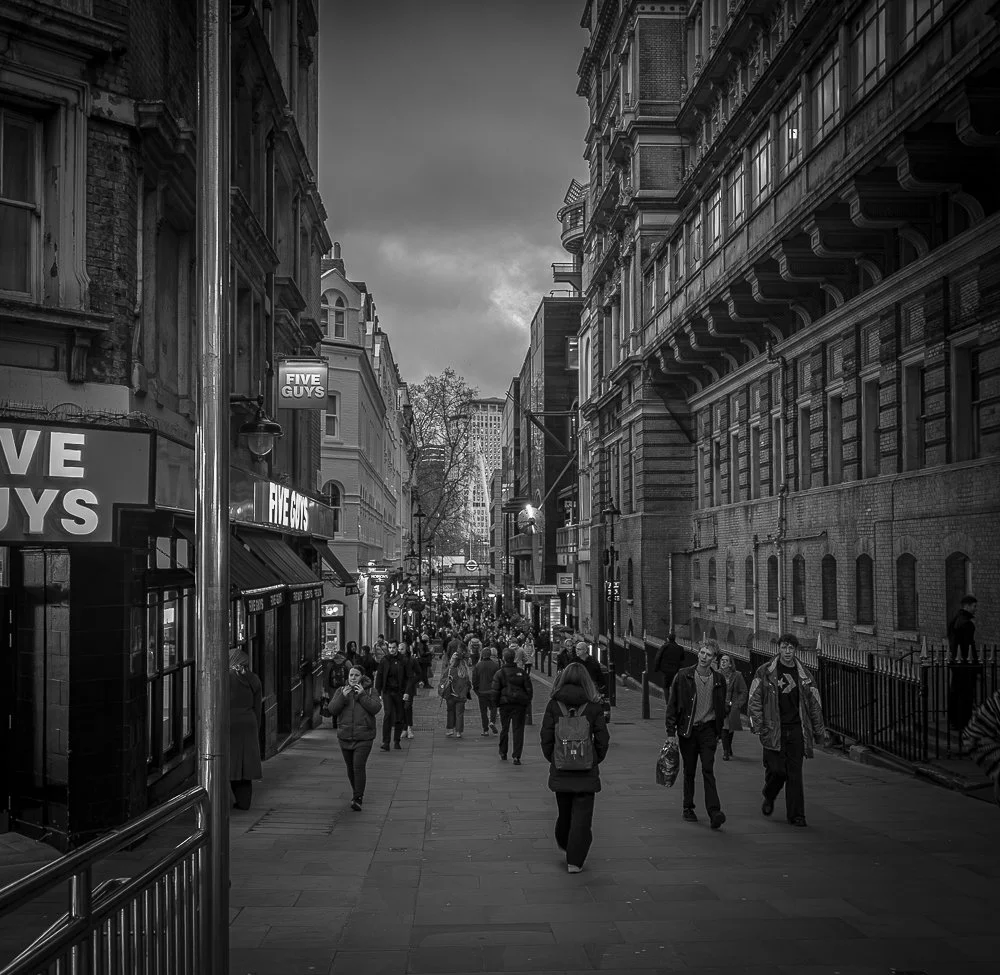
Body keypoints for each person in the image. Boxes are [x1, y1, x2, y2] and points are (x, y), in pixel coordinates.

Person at [748, 633, 826, 828]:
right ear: (779, 648)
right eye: (784, 647)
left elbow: (814, 704)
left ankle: (797, 815)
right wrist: (757, 724)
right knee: (777, 770)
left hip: (796, 729)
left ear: (795, 650)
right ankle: (769, 794)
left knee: (795, 774)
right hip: (774, 728)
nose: (787, 652)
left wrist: (818, 731)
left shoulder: (805, 675)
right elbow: (754, 699)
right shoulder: (765, 671)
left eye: (791, 648)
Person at [539, 662, 610, 874]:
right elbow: (603, 738)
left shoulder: (554, 704)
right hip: (586, 770)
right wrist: (594, 758)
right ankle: (575, 861)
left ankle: (564, 840)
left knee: (565, 812)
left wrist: (553, 758)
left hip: (561, 768)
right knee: (582, 817)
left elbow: (546, 736)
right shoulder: (593, 705)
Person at [664, 639, 728, 829]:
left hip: (708, 730)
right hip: (688, 731)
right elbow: (673, 705)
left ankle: (714, 811)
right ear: (697, 654)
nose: (704, 657)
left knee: (708, 769)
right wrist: (670, 733)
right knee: (689, 770)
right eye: (702, 653)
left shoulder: (719, 680)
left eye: (708, 655)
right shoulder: (684, 676)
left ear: (714, 659)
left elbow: (720, 706)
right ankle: (688, 807)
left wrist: (718, 732)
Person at [328, 665, 382, 811]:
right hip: (345, 736)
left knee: (358, 766)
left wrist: (362, 695)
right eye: (351, 675)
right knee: (350, 768)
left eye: (356, 675)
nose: (353, 678)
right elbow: (332, 709)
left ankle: (358, 797)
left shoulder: (370, 691)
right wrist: (342, 697)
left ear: (362, 677)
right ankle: (355, 792)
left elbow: (376, 708)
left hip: (364, 736)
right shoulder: (341, 691)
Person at [229, 649, 263, 810]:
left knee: (231, 763)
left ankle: (229, 800)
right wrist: (257, 727)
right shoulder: (254, 679)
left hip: (229, 724)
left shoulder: (225, 678)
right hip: (249, 723)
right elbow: (258, 708)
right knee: (246, 765)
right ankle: (244, 802)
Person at [493, 647, 534, 763]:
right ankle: (516, 756)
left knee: (504, 729)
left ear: (504, 659)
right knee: (518, 730)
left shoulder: (500, 673)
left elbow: (495, 691)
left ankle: (503, 752)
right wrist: (526, 702)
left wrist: (496, 704)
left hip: (505, 704)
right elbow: (529, 690)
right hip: (519, 705)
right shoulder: (522, 672)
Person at [948, 595, 979, 734]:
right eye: (974, 606)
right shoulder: (967, 624)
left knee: (955, 691)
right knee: (965, 694)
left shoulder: (954, 620)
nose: (975, 609)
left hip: (956, 662)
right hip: (965, 664)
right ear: (967, 606)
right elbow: (969, 646)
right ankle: (963, 722)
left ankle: (954, 721)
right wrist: (976, 664)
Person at [375, 641, 410, 751]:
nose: (391, 650)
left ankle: (396, 740)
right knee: (388, 714)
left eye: (394, 647)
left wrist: (407, 692)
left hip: (399, 692)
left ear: (397, 648)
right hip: (387, 692)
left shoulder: (403, 660)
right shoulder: (385, 660)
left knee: (399, 716)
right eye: (390, 647)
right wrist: (378, 692)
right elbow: (379, 676)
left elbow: (409, 677)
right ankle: (386, 742)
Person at [718, 653, 748, 761]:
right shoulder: (716, 674)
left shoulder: (737, 675)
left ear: (730, 664)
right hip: (721, 705)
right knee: (724, 727)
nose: (723, 662)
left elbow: (743, 691)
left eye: (726, 660)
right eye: (722, 660)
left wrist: (738, 703)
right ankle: (726, 751)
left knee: (730, 728)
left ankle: (728, 746)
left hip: (733, 705)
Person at [472, 646, 501, 735]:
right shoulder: (495, 665)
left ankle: (485, 730)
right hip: (492, 691)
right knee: (493, 707)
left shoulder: (478, 665)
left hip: (482, 691)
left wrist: (477, 690)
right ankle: (492, 721)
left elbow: (474, 680)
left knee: (483, 711)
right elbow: (499, 679)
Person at [444, 651, 472, 738]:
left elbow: (443, 681)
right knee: (459, 714)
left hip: (451, 695)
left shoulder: (450, 670)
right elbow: (468, 684)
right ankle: (459, 732)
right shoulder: (464, 671)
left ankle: (450, 730)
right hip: (461, 696)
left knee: (450, 712)